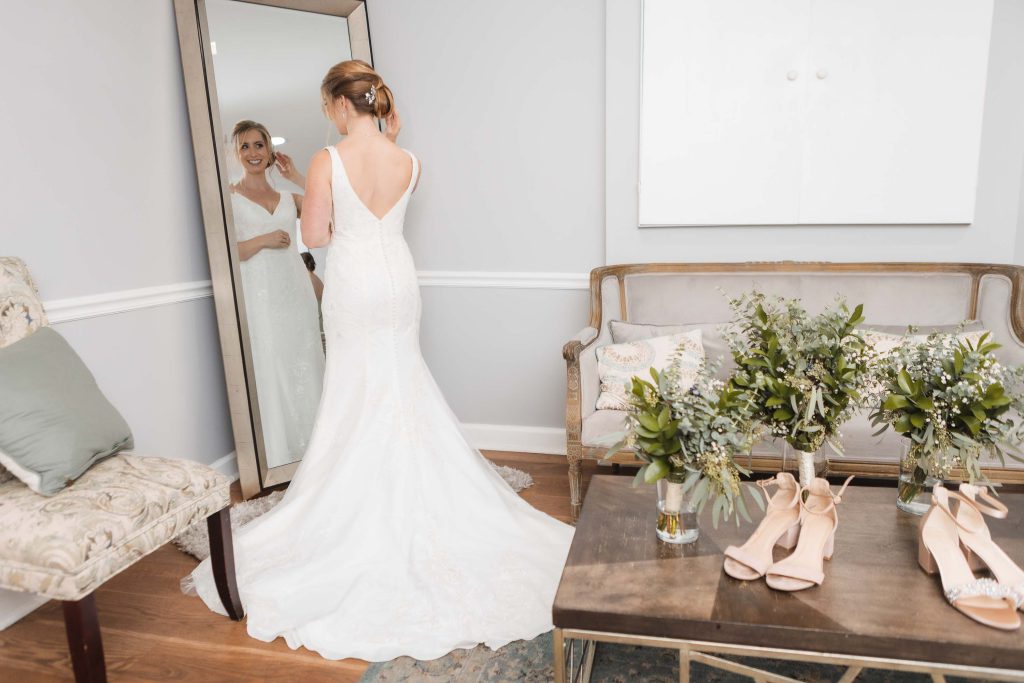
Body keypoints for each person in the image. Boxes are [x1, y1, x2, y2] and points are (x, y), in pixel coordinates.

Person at [183, 61, 574, 662]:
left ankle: (362, 497)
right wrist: (387, 138)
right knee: (401, 380)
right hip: (399, 285)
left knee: (355, 389)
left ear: (341, 106)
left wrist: (330, 207)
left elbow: (314, 236)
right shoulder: (408, 160)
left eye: (327, 107)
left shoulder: (325, 160)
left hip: (355, 284)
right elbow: (382, 190)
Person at [228, 120, 324, 469]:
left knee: (304, 365)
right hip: (259, 298)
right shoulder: (230, 197)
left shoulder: (288, 198)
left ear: (270, 152)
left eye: (259, 145)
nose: (253, 152)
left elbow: (332, 210)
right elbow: (223, 250)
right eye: (245, 146)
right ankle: (279, 457)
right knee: (270, 366)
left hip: (295, 296)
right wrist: (262, 240)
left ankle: (317, 451)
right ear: (236, 153)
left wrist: (297, 176)